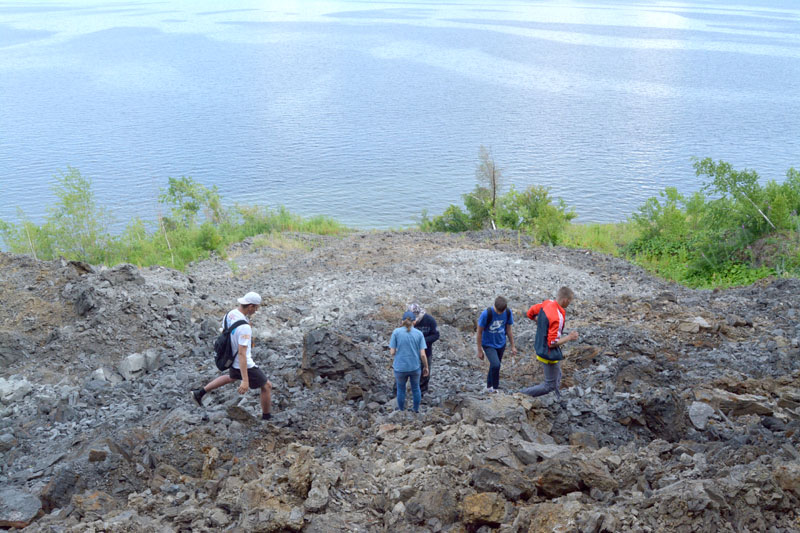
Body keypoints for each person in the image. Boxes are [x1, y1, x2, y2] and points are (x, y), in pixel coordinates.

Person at [190, 292, 273, 420]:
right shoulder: (244, 327)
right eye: (256, 308)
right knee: (267, 386)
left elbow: (226, 332)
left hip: (231, 358)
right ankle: (267, 418)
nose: (256, 310)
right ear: (250, 306)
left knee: (231, 377)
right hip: (243, 362)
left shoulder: (230, 314)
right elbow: (242, 354)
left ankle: (199, 393)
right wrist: (245, 381)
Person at [521, 286, 578, 400]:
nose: (569, 304)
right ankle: (521, 394)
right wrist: (569, 337)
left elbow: (530, 313)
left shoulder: (547, 303)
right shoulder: (557, 317)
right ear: (565, 300)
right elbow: (552, 343)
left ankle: (557, 399)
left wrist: (539, 323)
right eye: (570, 301)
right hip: (548, 353)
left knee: (558, 375)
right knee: (549, 385)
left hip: (539, 346)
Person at [389, 311, 429, 413]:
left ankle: (401, 410)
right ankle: (415, 410)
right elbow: (423, 354)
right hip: (414, 367)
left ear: (402, 321)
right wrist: (426, 367)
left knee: (401, 389)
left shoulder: (396, 332)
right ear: (414, 321)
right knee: (416, 388)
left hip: (400, 367)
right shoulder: (419, 334)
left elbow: (392, 352)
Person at [476, 296, 516, 393]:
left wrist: (513, 346)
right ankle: (495, 388)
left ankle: (489, 386)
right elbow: (479, 332)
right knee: (496, 364)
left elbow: (509, 330)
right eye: (498, 311)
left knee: (495, 365)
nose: (499, 313)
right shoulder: (486, 314)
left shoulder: (507, 312)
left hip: (501, 343)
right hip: (488, 344)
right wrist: (479, 350)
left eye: (501, 312)